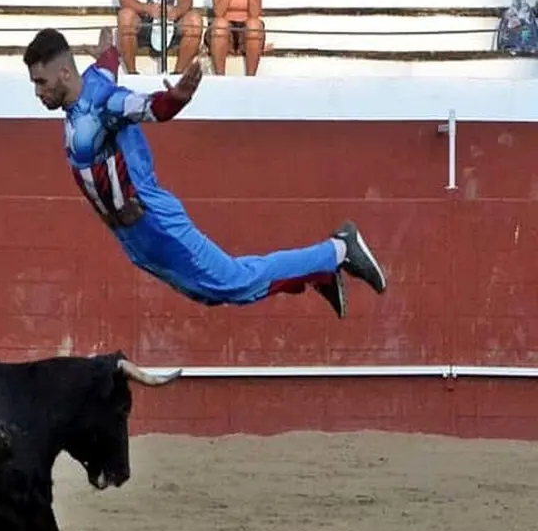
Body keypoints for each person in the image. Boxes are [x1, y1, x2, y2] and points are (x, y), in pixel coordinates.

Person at [22, 27, 387, 318]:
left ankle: (338, 251)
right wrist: (110, 48)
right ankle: (317, 271)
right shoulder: (91, 81)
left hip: (154, 222)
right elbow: (106, 64)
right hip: (135, 238)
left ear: (65, 73)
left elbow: (147, 107)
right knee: (209, 294)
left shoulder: (102, 105)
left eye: (41, 82)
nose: (37, 92)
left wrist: (177, 97)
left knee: (232, 281)